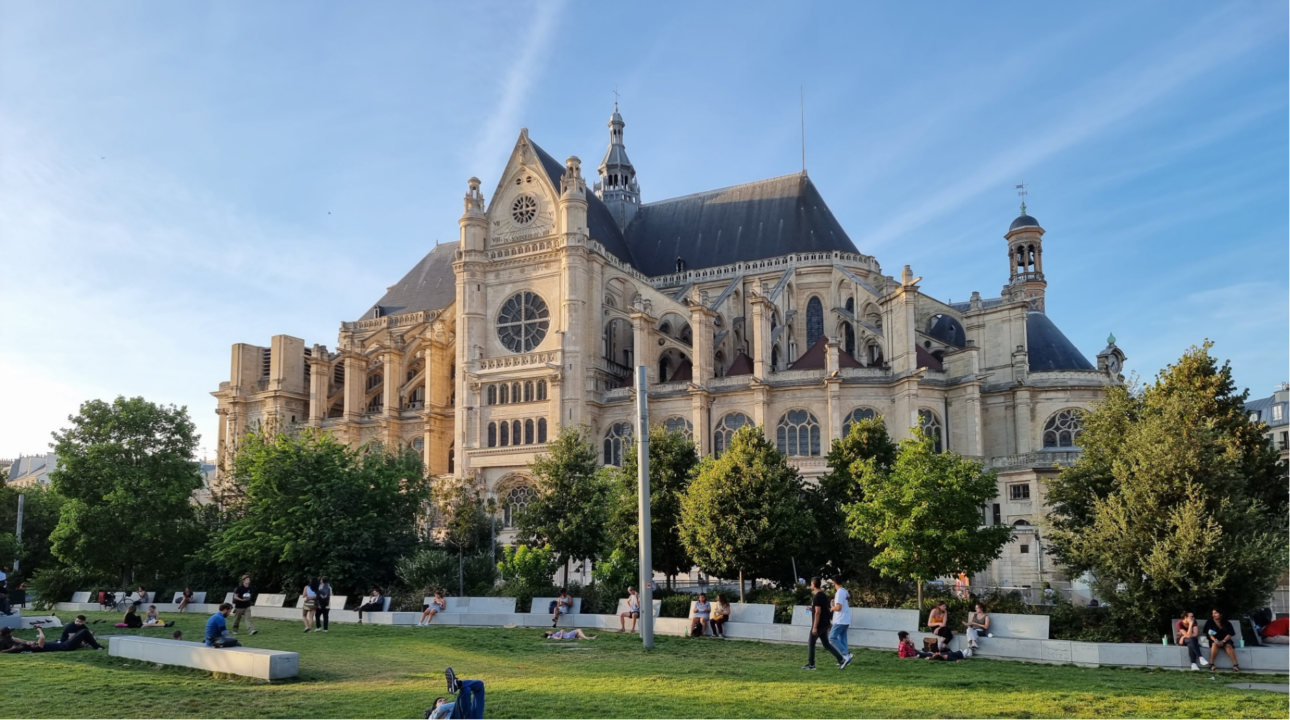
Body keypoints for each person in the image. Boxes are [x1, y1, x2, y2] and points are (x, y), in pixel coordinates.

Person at [804, 576, 847, 670]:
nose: (811, 585)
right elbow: (826, 610)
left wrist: (815, 627)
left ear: (814, 585)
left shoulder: (817, 596)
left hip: (819, 625)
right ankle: (841, 659)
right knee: (826, 644)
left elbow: (818, 612)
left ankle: (811, 664)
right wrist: (828, 622)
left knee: (811, 643)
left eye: (811, 584)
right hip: (824, 624)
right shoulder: (823, 595)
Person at [2, 624, 103, 652]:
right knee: (83, 631)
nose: (30, 641)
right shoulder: (37, 647)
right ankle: (96, 646)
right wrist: (39, 629)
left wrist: (12, 637)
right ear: (31, 646)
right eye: (30, 643)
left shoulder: (29, 645)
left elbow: (21, 641)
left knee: (80, 640)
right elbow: (42, 638)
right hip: (66, 646)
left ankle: (87, 643)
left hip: (61, 643)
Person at [829, 575, 853, 665]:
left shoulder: (839, 592)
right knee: (842, 639)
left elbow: (838, 608)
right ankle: (846, 659)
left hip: (840, 619)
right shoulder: (845, 592)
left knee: (832, 637)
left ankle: (846, 654)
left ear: (834, 583)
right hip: (846, 619)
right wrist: (833, 604)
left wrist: (831, 608)